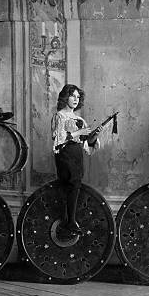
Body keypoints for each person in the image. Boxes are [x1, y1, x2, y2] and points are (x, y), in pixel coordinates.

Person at [51, 84, 99, 240]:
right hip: (65, 155)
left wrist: (93, 136)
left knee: (75, 185)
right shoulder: (59, 116)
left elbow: (86, 145)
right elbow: (58, 140)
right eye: (72, 96)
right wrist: (79, 132)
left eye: (78, 97)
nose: (75, 100)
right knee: (71, 184)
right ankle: (69, 221)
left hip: (77, 155)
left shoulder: (80, 119)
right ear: (65, 97)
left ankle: (70, 220)